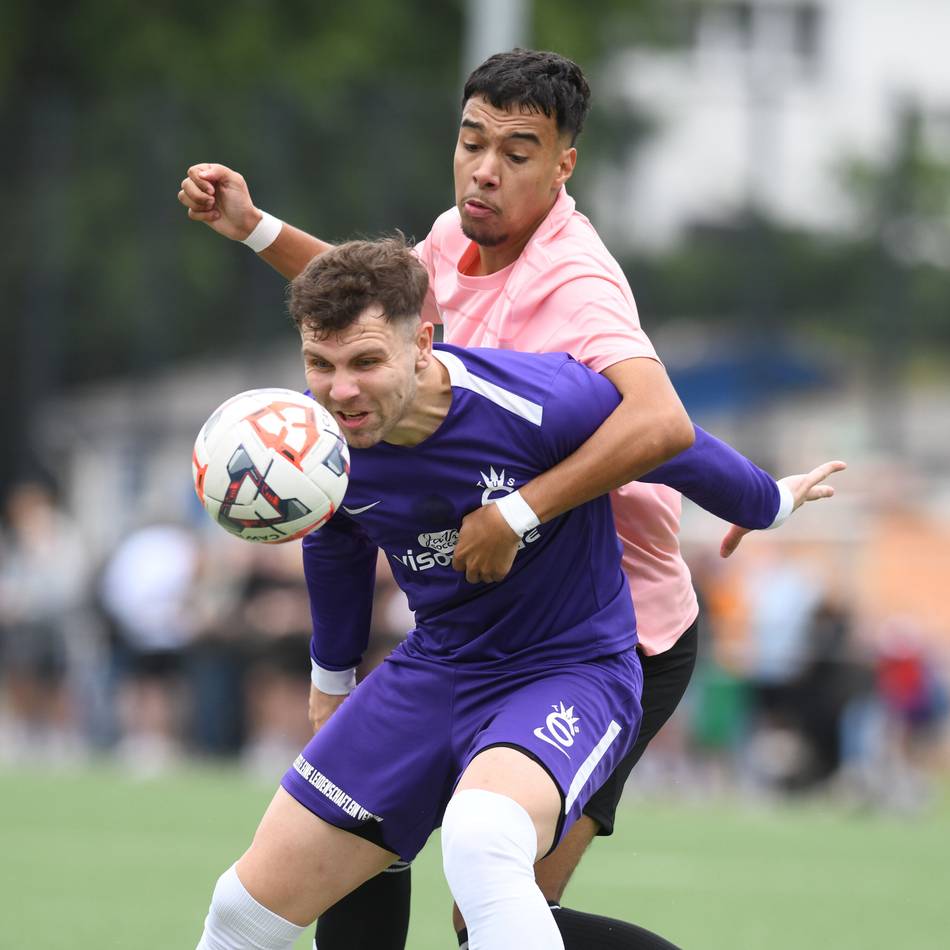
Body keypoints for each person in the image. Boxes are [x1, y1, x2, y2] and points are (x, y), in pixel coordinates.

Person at [179, 50, 845, 950]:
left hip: (622, 628)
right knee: (349, 865)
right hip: (467, 628)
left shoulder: (576, 288)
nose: (485, 169)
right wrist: (258, 229)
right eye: (471, 142)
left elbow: (662, 424)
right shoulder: (450, 250)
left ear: (564, 163)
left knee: (487, 885)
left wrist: (757, 502)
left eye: (518, 151)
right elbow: (374, 306)